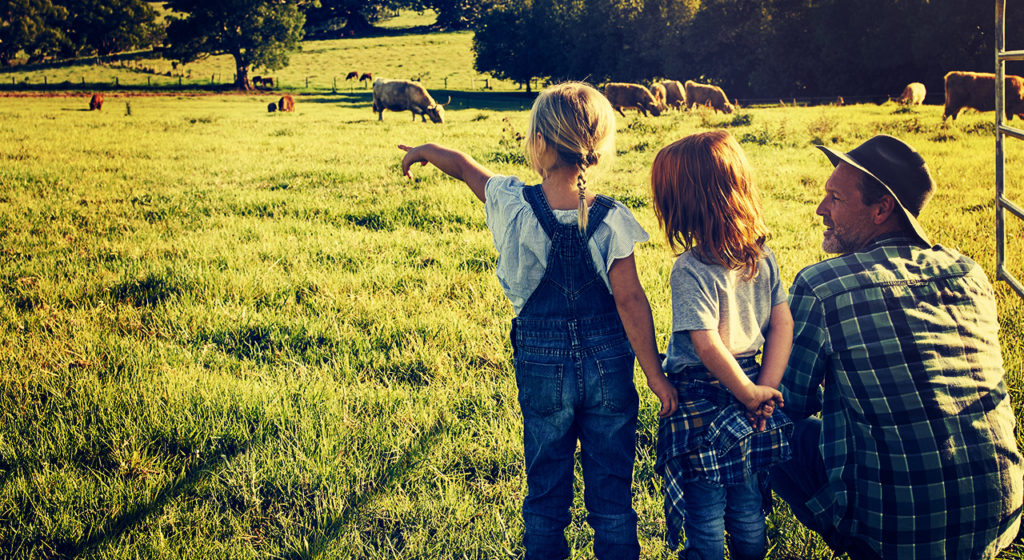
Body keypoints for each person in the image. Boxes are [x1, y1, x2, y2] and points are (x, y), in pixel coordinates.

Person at [398, 82, 679, 560]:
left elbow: (465, 168)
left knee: (546, 492)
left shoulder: (512, 202)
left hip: (542, 365)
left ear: (539, 142)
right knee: (613, 495)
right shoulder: (612, 217)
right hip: (609, 366)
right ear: (597, 145)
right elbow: (632, 301)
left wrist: (427, 149)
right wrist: (655, 375)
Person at [772, 134, 1024, 559]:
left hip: (896, 538)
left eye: (835, 197)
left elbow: (785, 402)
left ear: (881, 209)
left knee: (765, 423)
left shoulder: (822, 287)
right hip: (1000, 517)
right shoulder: (969, 273)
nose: (820, 209)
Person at [649, 130, 795, 560]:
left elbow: (707, 345)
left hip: (703, 395)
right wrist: (763, 390)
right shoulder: (763, 258)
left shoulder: (690, 268)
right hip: (751, 385)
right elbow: (782, 325)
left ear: (683, 205)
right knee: (747, 503)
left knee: (706, 511)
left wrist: (750, 394)